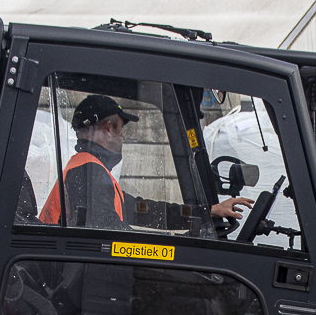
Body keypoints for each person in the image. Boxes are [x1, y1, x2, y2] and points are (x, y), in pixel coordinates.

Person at [38, 94, 252, 231]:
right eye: (120, 130)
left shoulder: (90, 170)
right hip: (66, 280)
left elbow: (145, 209)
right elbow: (112, 234)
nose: (123, 138)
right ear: (107, 129)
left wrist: (208, 211)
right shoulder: (87, 174)